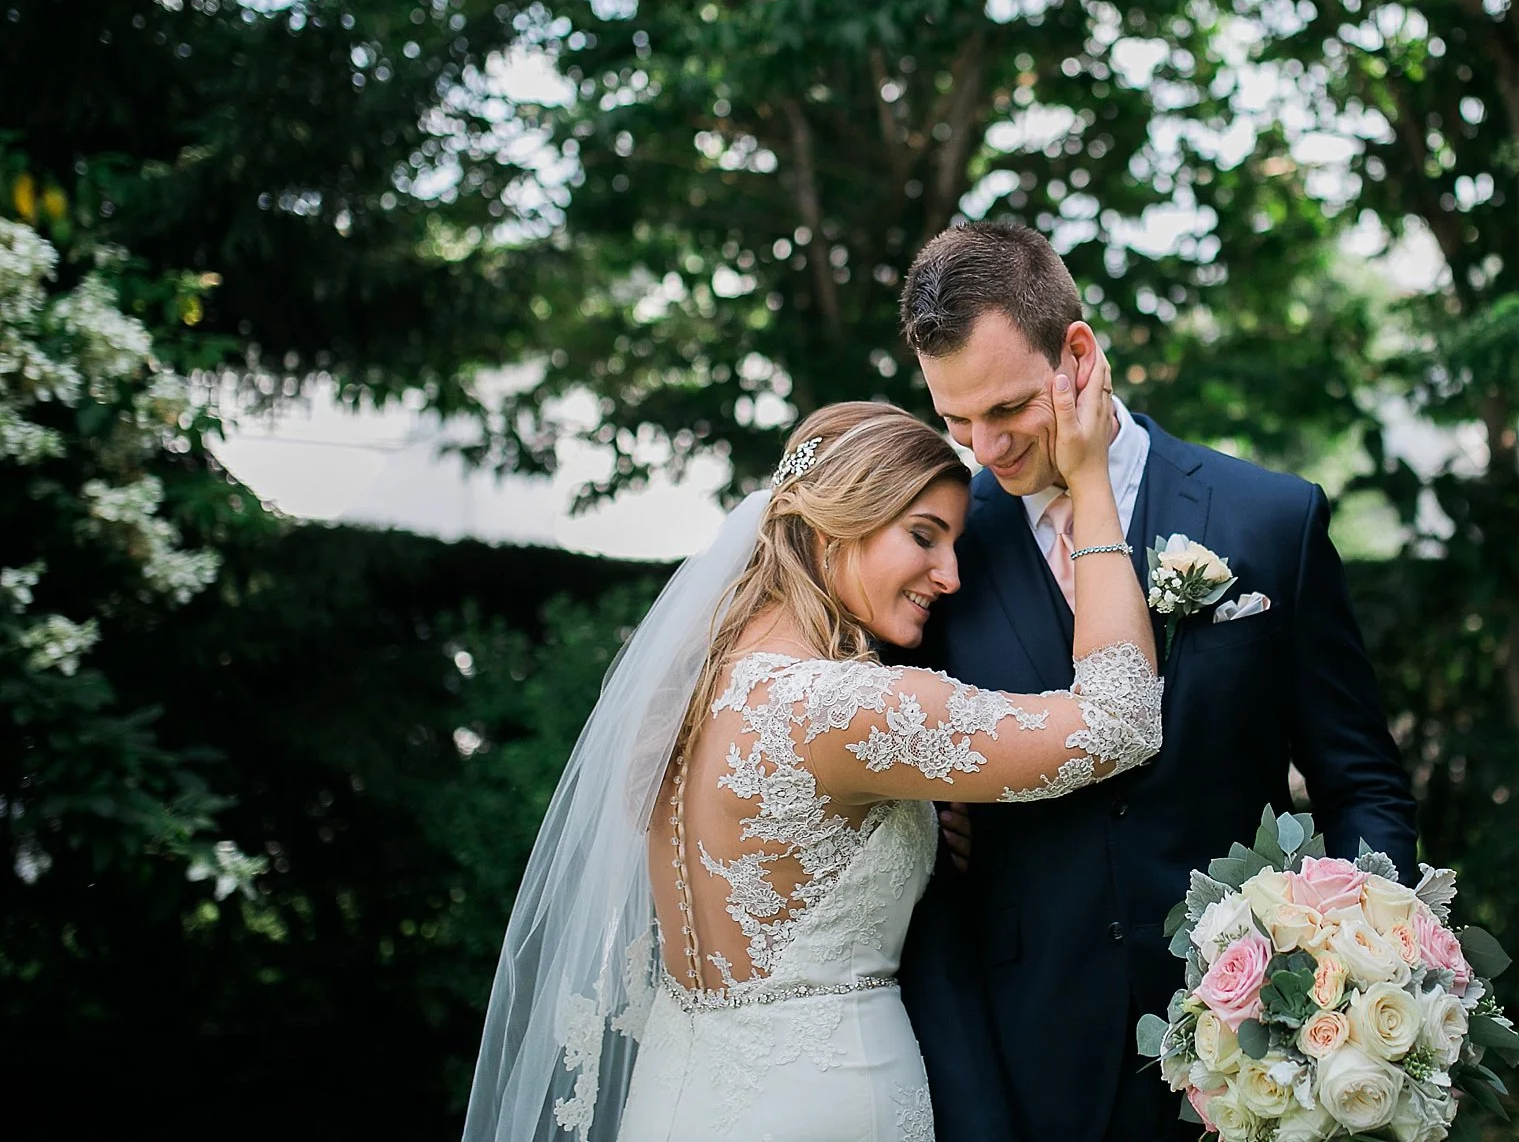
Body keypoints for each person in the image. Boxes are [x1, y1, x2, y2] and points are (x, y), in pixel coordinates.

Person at [461, 384, 1161, 1142]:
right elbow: (1119, 720)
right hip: (825, 1099)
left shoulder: (691, 692)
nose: (951, 574)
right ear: (834, 526)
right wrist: (1091, 484)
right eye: (925, 536)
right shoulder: (842, 707)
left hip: (676, 1097)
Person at [896, 220, 1419, 1142]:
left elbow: (1361, 780)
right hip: (1029, 1058)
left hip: (1251, 1054)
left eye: (1009, 408)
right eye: (955, 418)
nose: (984, 446)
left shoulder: (1270, 519)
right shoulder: (939, 555)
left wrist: (1365, 982)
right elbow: (920, 850)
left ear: (1078, 353)